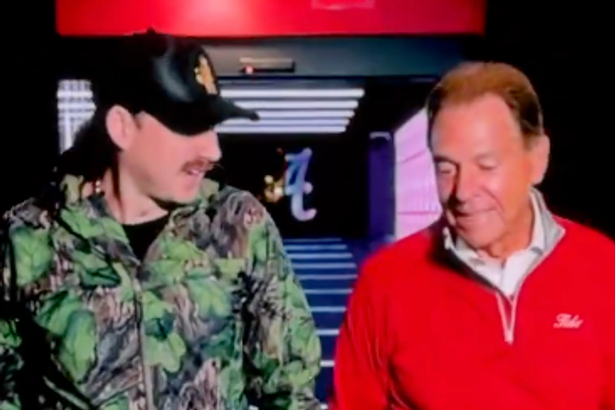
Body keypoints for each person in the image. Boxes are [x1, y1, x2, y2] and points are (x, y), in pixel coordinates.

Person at [0, 30, 321, 410]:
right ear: (122, 127)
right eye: (189, 126)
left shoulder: (237, 224)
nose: (212, 149)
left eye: (212, 126)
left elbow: (291, 393)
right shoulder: (29, 237)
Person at [329, 62, 615, 410]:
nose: (463, 191)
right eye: (446, 168)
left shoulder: (604, 270)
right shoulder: (383, 283)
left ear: (538, 160)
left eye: (486, 166)